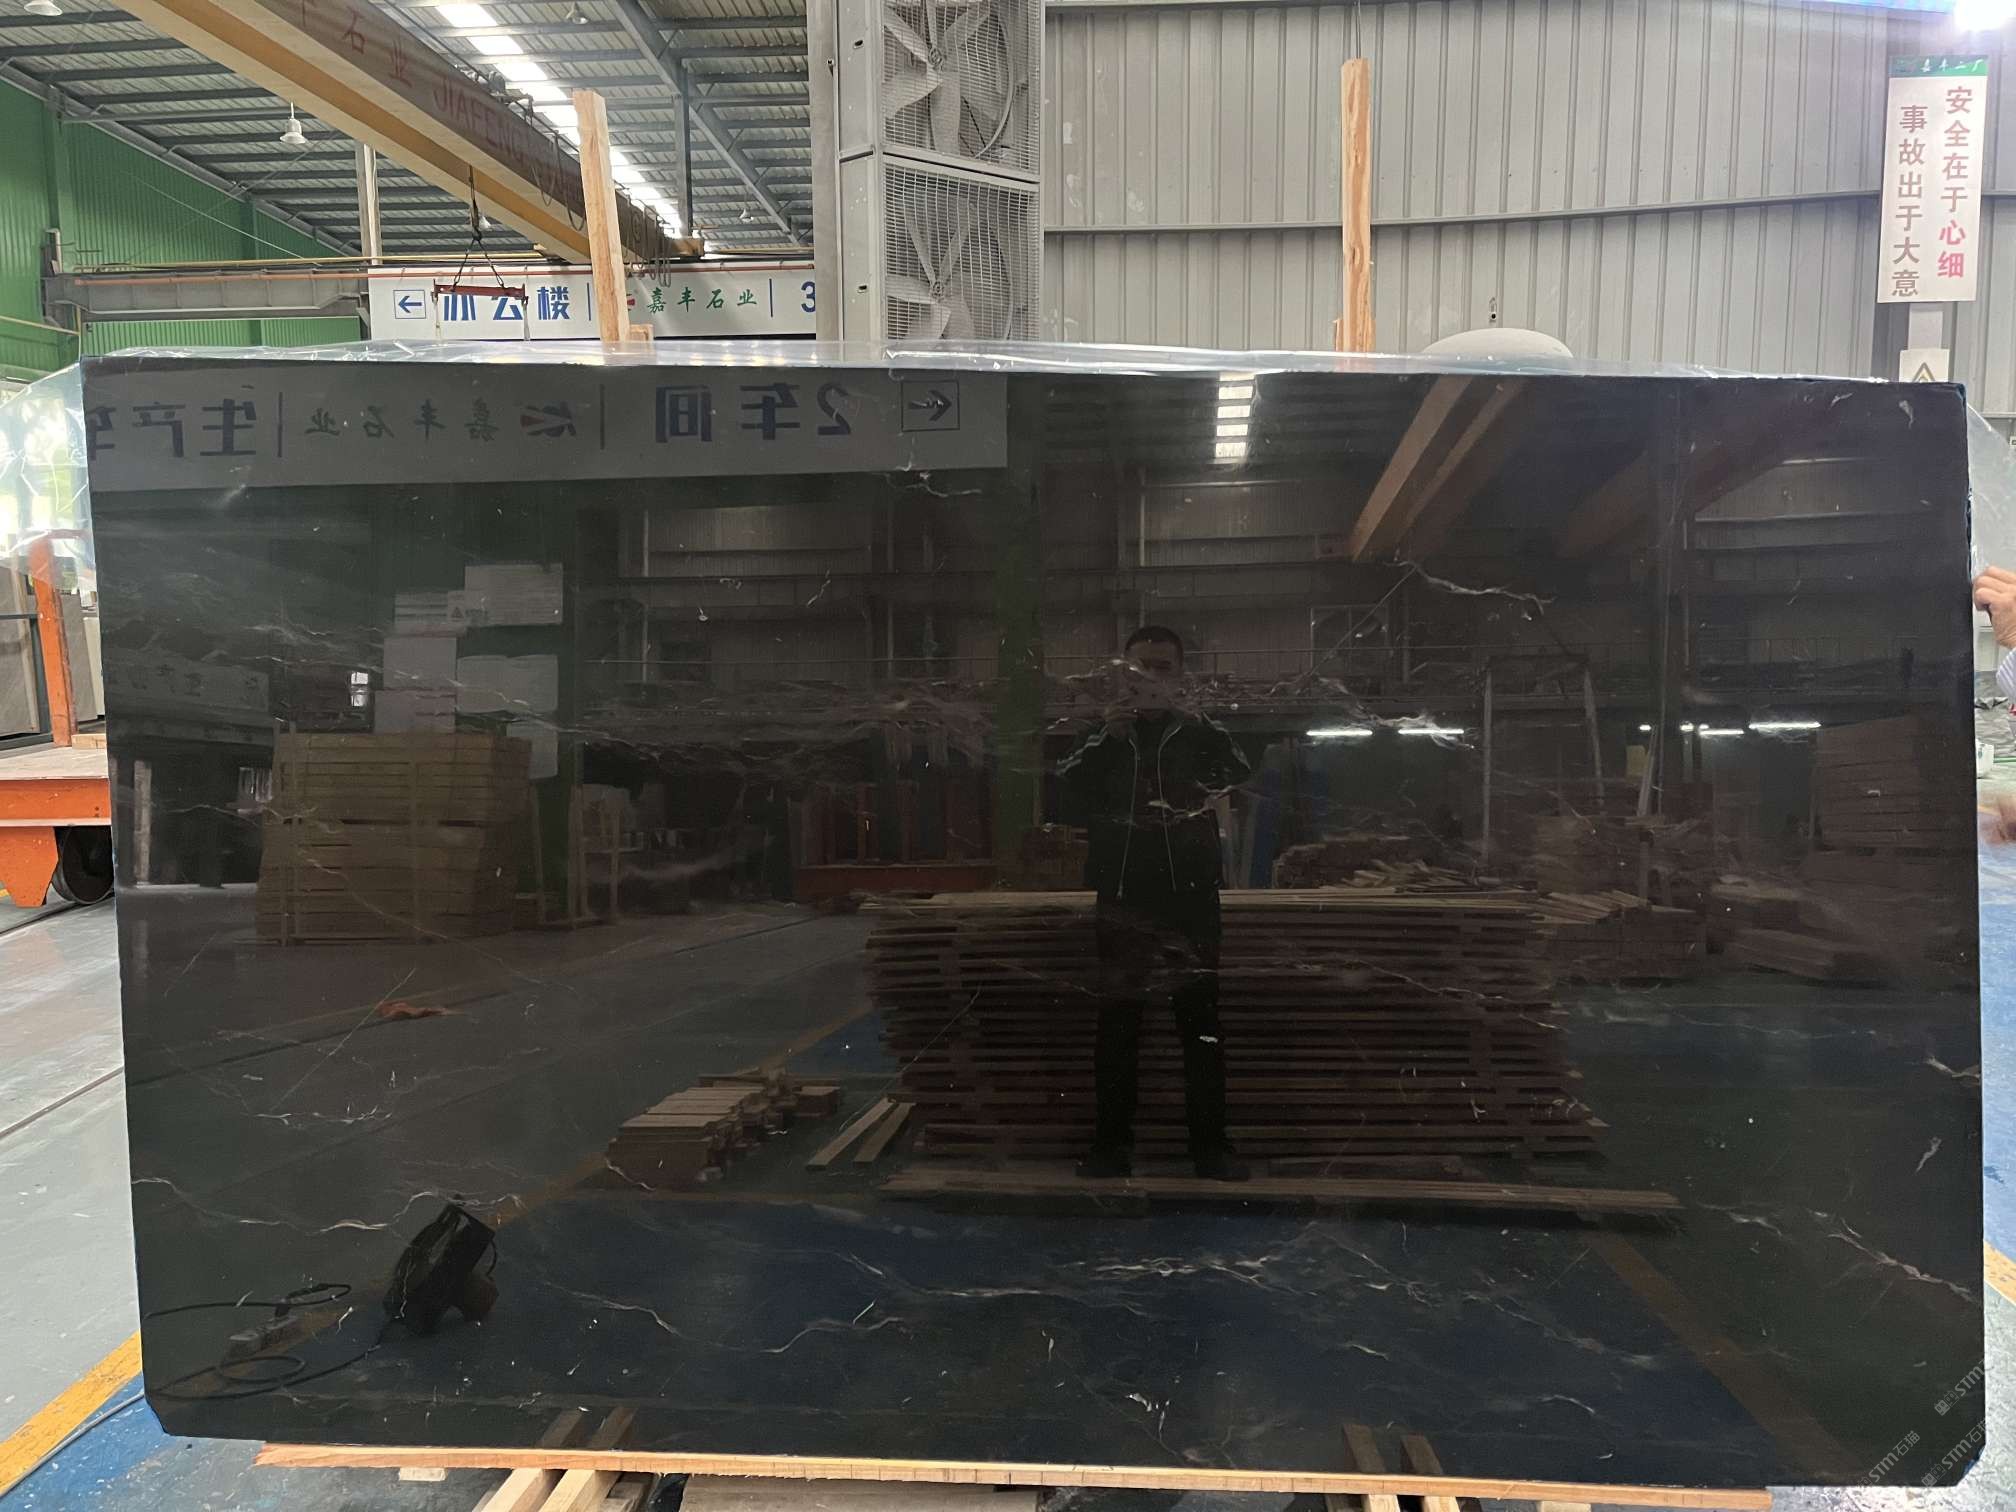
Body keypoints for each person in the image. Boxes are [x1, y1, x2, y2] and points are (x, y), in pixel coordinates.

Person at [1059, 626, 1252, 1181]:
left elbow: (1239, 770)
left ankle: (1211, 1149)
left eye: (1163, 667)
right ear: (1124, 672)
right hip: (1124, 897)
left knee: (1200, 1022)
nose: (1150, 676)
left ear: (1180, 674)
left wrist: (1199, 721)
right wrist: (1107, 738)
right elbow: (1066, 790)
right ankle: (1110, 1147)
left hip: (1191, 897)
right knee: (1119, 1023)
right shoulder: (1103, 731)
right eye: (1140, 666)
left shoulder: (1197, 729)